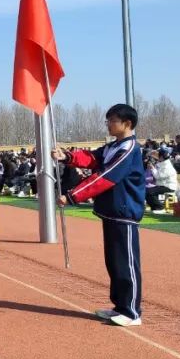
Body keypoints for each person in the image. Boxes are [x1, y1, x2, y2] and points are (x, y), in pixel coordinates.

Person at [53, 104, 145, 327]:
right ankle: (120, 306)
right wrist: (67, 156)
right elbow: (92, 159)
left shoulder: (129, 149)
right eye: (108, 120)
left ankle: (132, 311)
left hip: (124, 211)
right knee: (114, 262)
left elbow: (106, 176)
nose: (108, 124)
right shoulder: (113, 146)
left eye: (112, 120)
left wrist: (73, 195)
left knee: (126, 262)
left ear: (127, 124)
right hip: (111, 211)